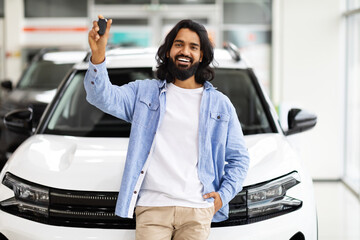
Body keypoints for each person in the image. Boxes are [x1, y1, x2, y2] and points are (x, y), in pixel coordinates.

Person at [84, 16, 250, 240]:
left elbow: (239, 158)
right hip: (153, 208)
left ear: (202, 56)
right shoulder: (144, 93)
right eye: (179, 44)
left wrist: (222, 196)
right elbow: (101, 97)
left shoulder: (220, 104)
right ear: (168, 51)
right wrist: (98, 55)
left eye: (193, 47)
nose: (185, 51)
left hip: (197, 209)